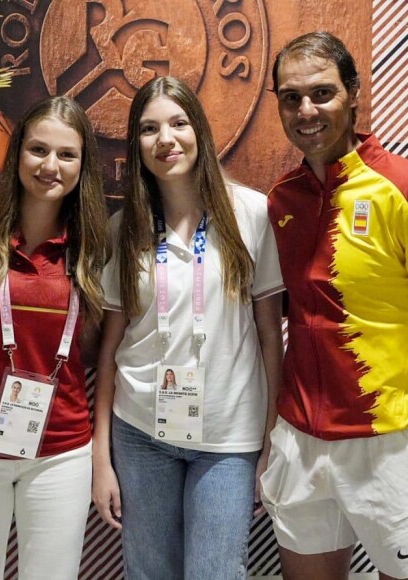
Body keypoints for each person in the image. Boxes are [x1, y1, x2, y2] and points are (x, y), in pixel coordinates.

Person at [92, 76, 284, 579]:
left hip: (228, 439)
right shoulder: (124, 228)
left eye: (178, 123)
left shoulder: (252, 214)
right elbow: (111, 347)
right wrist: (100, 455)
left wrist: (271, 442)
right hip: (140, 432)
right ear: (136, 144)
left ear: (198, 129)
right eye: (150, 128)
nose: (166, 139)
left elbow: (270, 337)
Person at [0, 95, 108, 580]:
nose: (50, 166)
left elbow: (101, 350)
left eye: (66, 155)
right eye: (38, 150)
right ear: (18, 155)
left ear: (82, 166)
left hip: (60, 452)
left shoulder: (96, 248)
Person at [261, 32, 408, 580]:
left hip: (387, 439)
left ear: (352, 94)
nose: (306, 110)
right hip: (299, 436)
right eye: (290, 97)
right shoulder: (281, 200)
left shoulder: (396, 186)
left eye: (321, 93)